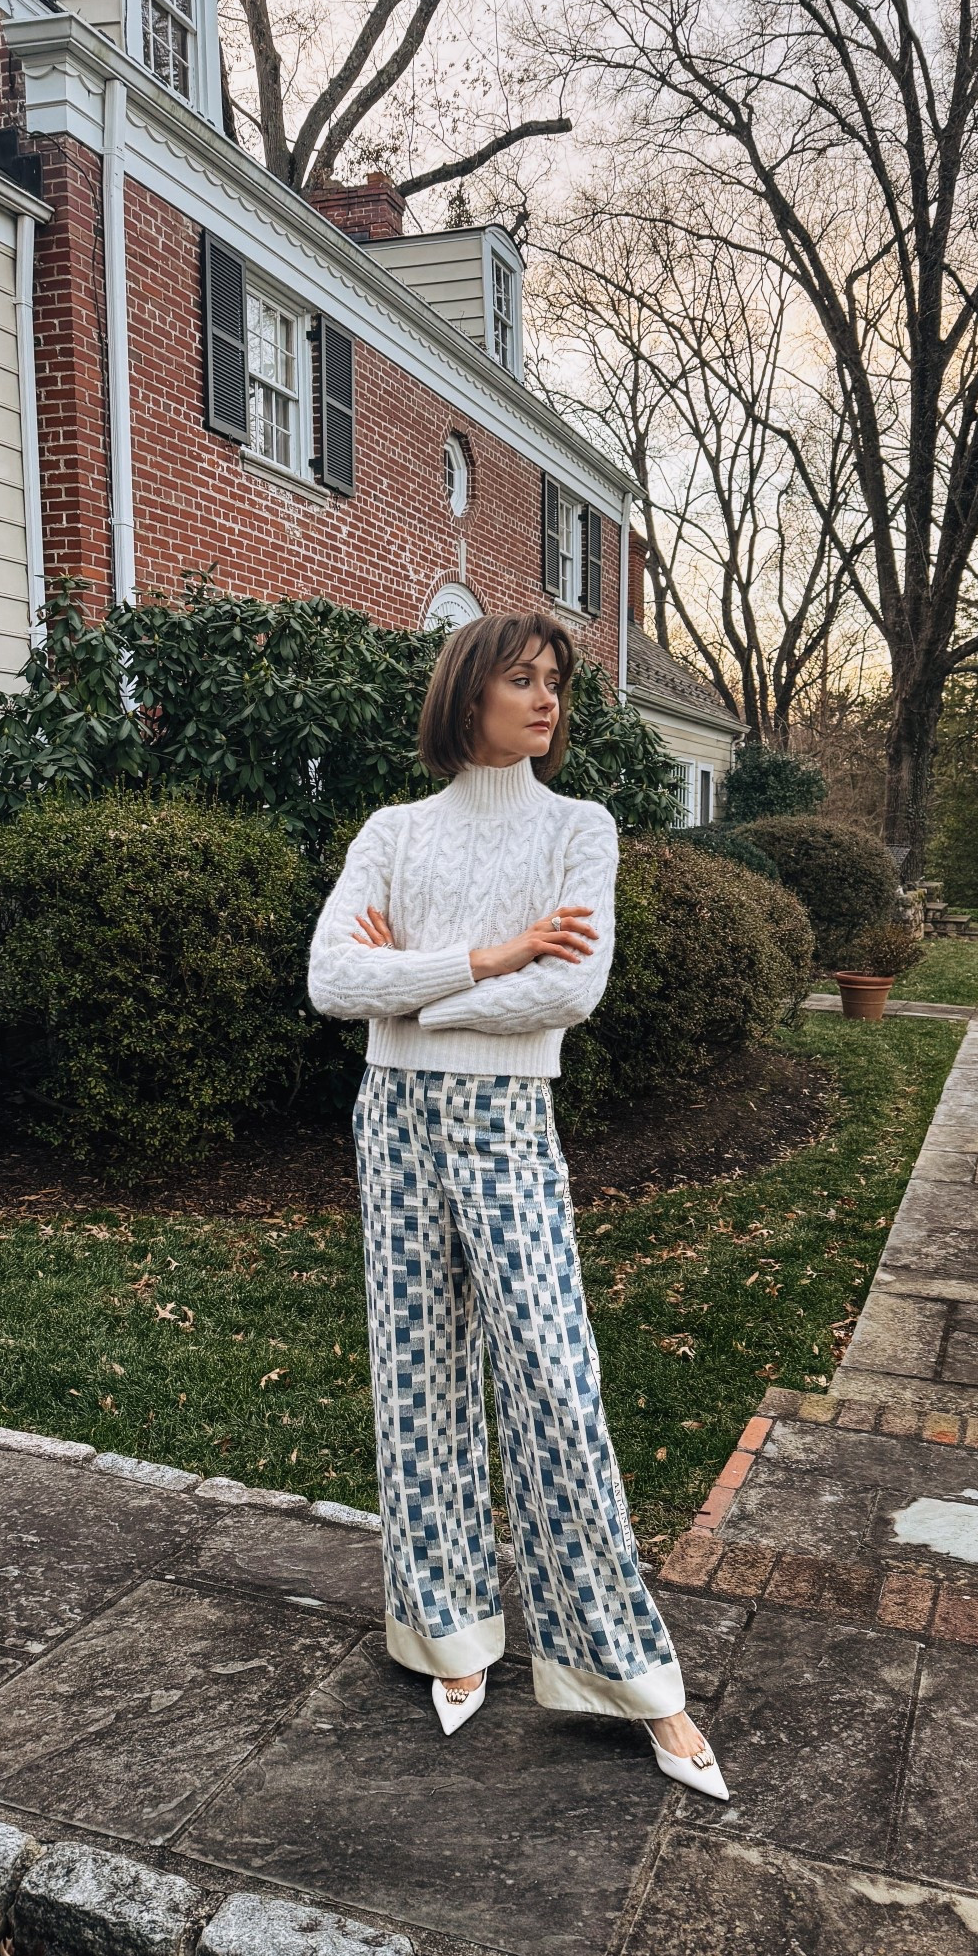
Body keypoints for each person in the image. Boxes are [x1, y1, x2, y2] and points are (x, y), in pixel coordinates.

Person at [308, 610, 728, 1801]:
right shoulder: (393, 833)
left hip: (500, 1121)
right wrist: (486, 961)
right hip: (392, 1120)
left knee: (552, 1372)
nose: (546, 699)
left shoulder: (577, 830)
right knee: (417, 1364)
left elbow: (575, 987)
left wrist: (416, 994)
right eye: (520, 679)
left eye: (553, 681)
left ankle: (626, 1667)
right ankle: (446, 1629)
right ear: (467, 694)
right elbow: (329, 976)